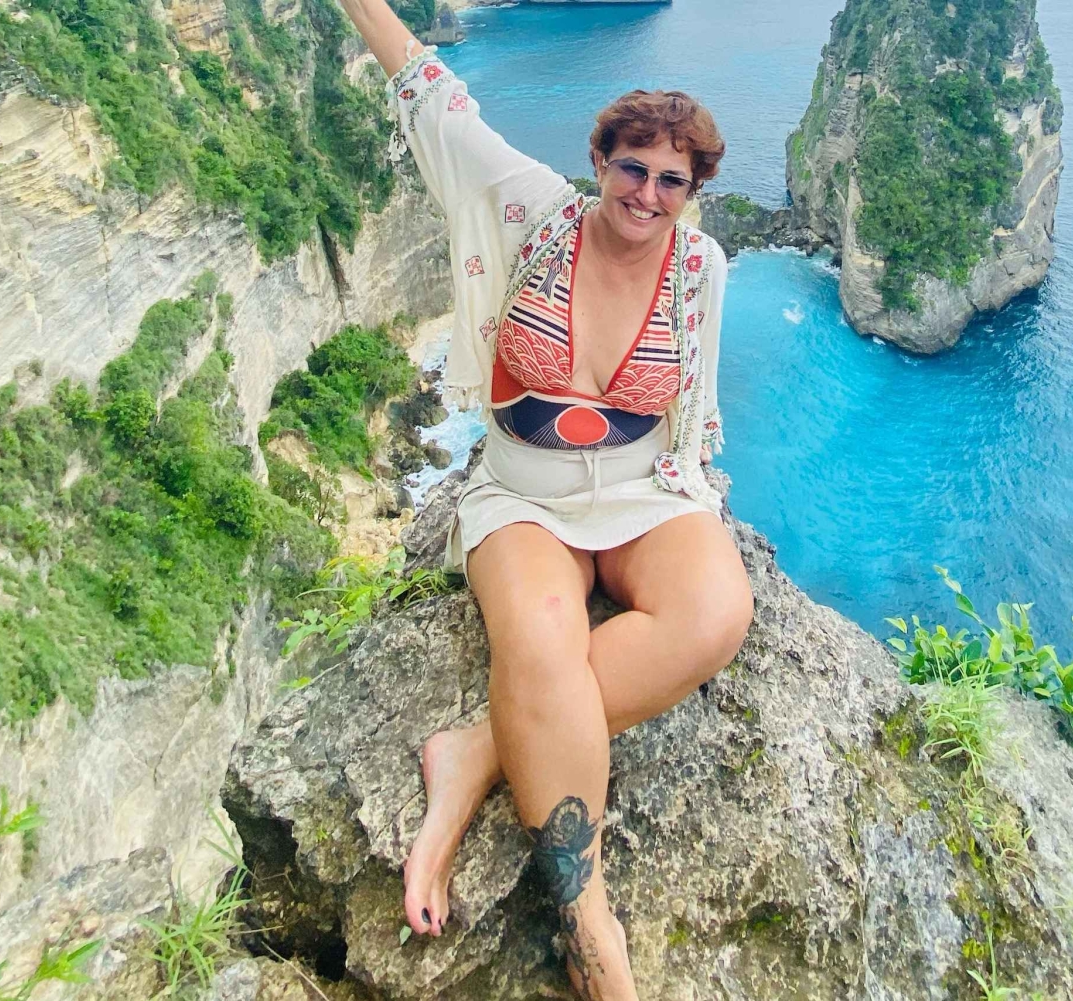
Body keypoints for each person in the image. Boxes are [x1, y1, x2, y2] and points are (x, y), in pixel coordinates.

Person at [337, 2, 755, 996]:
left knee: (715, 613)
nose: (647, 194)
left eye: (672, 181)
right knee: (540, 639)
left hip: (646, 489)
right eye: (632, 168)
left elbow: (689, 413)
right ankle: (589, 922)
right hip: (523, 495)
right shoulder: (531, 208)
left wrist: (688, 488)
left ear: (693, 191)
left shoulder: (702, 268)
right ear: (598, 160)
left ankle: (481, 750)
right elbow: (431, 94)